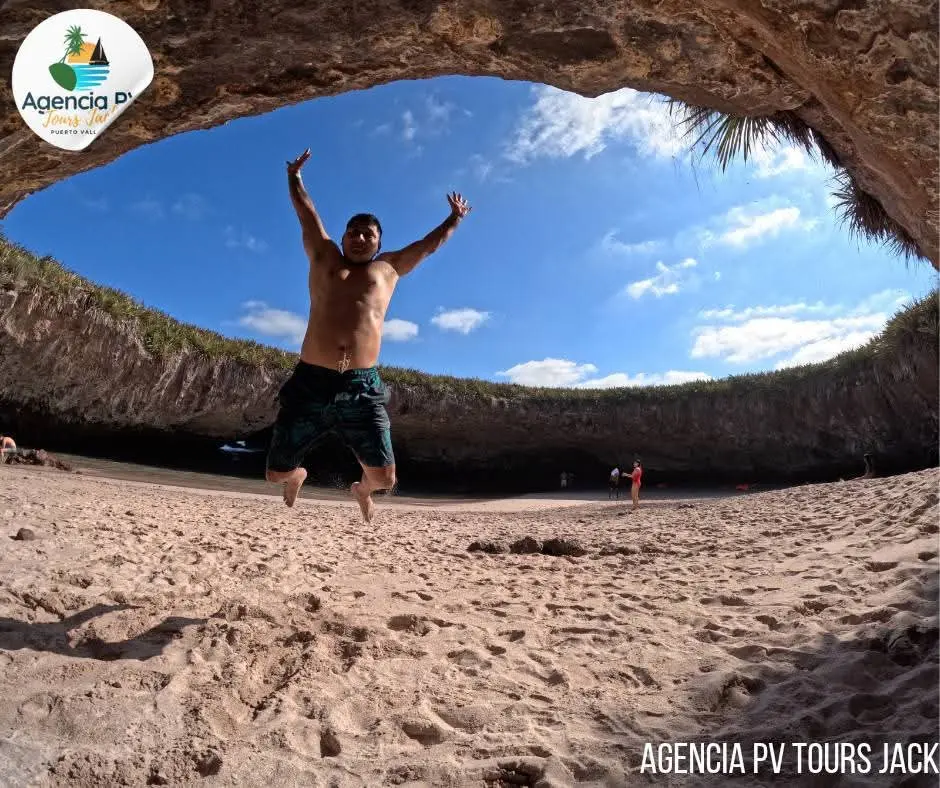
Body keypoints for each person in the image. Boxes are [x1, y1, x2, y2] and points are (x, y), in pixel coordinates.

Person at [264, 148, 472, 523]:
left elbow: (428, 246)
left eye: (368, 234)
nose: (360, 238)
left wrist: (453, 219)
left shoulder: (389, 268)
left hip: (362, 385)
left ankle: (361, 489)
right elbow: (307, 215)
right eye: (353, 232)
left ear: (379, 242)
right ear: (343, 237)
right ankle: (296, 474)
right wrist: (294, 177)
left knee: (384, 478)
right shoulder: (324, 257)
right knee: (273, 473)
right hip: (312, 380)